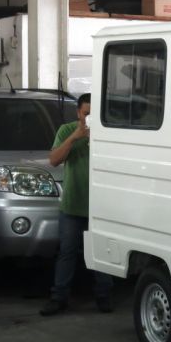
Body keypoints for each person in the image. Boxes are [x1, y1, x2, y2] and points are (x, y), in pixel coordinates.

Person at [40, 93, 113, 315]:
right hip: (72, 205)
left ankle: (104, 296)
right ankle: (59, 297)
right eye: (86, 113)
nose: (89, 118)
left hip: (100, 207)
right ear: (78, 113)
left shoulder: (108, 132)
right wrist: (75, 136)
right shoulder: (66, 130)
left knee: (102, 252)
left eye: (93, 114)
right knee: (67, 253)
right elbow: (54, 160)